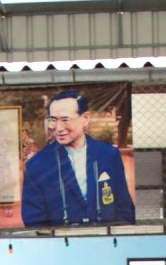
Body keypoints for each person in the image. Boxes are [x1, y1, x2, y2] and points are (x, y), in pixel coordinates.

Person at [20, 91, 135, 227]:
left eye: (65, 120)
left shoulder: (108, 155)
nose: (58, 128)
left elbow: (124, 209)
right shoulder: (37, 165)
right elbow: (33, 219)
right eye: (53, 120)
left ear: (85, 119)